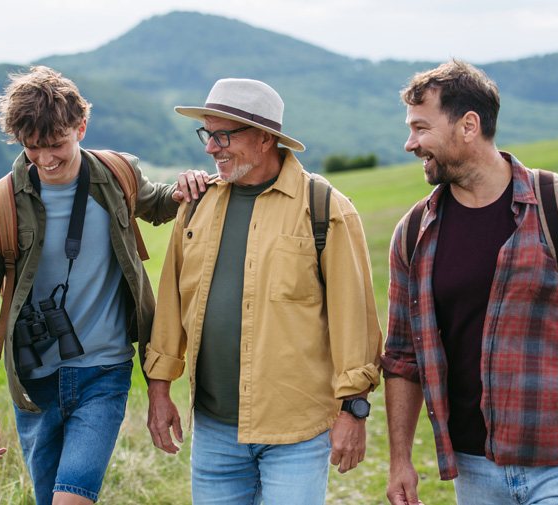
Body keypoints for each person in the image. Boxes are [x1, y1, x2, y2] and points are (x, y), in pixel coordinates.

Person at [382, 59, 558, 505]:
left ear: (469, 125)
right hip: (472, 468)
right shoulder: (414, 233)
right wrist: (399, 460)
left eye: (421, 128)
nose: (410, 143)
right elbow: (402, 357)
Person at [0, 65, 207, 505]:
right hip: (34, 384)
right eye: (32, 148)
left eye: (56, 145)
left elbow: (161, 203)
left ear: (81, 127)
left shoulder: (117, 175)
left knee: (71, 500)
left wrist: (189, 185)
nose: (46, 159)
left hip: (104, 372)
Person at [144, 78, 383, 505]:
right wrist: (159, 390)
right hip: (214, 431)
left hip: (296, 433)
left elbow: (356, 321)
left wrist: (354, 411)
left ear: (265, 138)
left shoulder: (325, 207)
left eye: (222, 135)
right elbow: (170, 307)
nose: (210, 148)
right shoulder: (196, 204)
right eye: (206, 133)